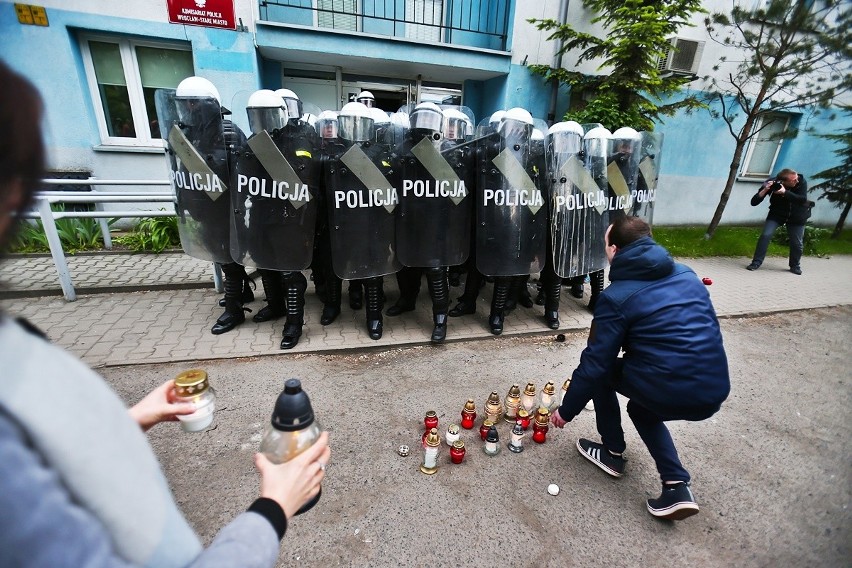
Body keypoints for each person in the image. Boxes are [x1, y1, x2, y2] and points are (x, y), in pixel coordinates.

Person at [0, 60, 330, 567]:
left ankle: (291, 320)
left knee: (285, 278)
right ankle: (243, 308)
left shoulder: (249, 135)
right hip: (235, 220)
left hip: (281, 223)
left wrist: (127, 421)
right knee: (236, 273)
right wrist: (275, 507)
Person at [551, 215, 729, 521]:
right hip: (714, 388)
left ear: (615, 250)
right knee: (642, 410)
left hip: (672, 385)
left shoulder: (616, 297)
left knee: (603, 375)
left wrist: (566, 411)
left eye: (605, 245)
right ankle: (676, 484)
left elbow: (595, 364)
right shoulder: (686, 274)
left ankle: (612, 453)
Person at [746, 168, 810, 275]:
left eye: (796, 178)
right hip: (777, 214)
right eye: (793, 180)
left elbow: (802, 199)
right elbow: (754, 202)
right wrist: (765, 189)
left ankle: (795, 266)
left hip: (797, 216)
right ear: (784, 181)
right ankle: (756, 262)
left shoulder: (801, 182)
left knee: (797, 243)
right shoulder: (773, 182)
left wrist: (785, 192)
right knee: (765, 235)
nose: (796, 181)